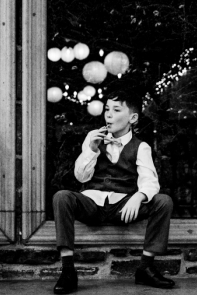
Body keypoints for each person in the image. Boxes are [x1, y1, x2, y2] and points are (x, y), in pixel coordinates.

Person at [52, 90, 174, 294]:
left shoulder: (141, 147)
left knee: (163, 201)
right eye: (107, 109)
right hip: (92, 203)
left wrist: (138, 196)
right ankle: (67, 270)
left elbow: (150, 181)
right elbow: (81, 177)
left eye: (116, 110)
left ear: (132, 118)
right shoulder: (93, 139)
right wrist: (91, 148)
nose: (108, 114)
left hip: (123, 206)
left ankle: (145, 267)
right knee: (61, 197)